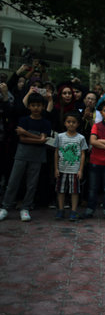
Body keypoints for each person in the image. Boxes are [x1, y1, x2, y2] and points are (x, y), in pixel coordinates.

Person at [0, 93, 52, 222]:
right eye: (33, 105)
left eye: (38, 105)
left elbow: (43, 140)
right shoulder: (24, 120)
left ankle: (26, 208)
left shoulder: (46, 122)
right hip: (21, 154)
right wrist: (37, 137)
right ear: (28, 106)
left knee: (32, 184)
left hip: (37, 156)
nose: (36, 108)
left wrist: (27, 133)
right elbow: (23, 138)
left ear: (43, 107)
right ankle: (5, 207)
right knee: (13, 181)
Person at [53, 111, 88, 221]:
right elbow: (56, 152)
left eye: (74, 122)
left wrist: (81, 170)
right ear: (65, 123)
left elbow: (83, 154)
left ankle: (73, 211)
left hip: (75, 169)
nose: (71, 124)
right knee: (61, 190)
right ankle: (61, 210)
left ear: (78, 124)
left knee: (74, 191)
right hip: (62, 169)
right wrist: (56, 168)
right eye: (68, 122)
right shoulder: (60, 136)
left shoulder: (81, 138)